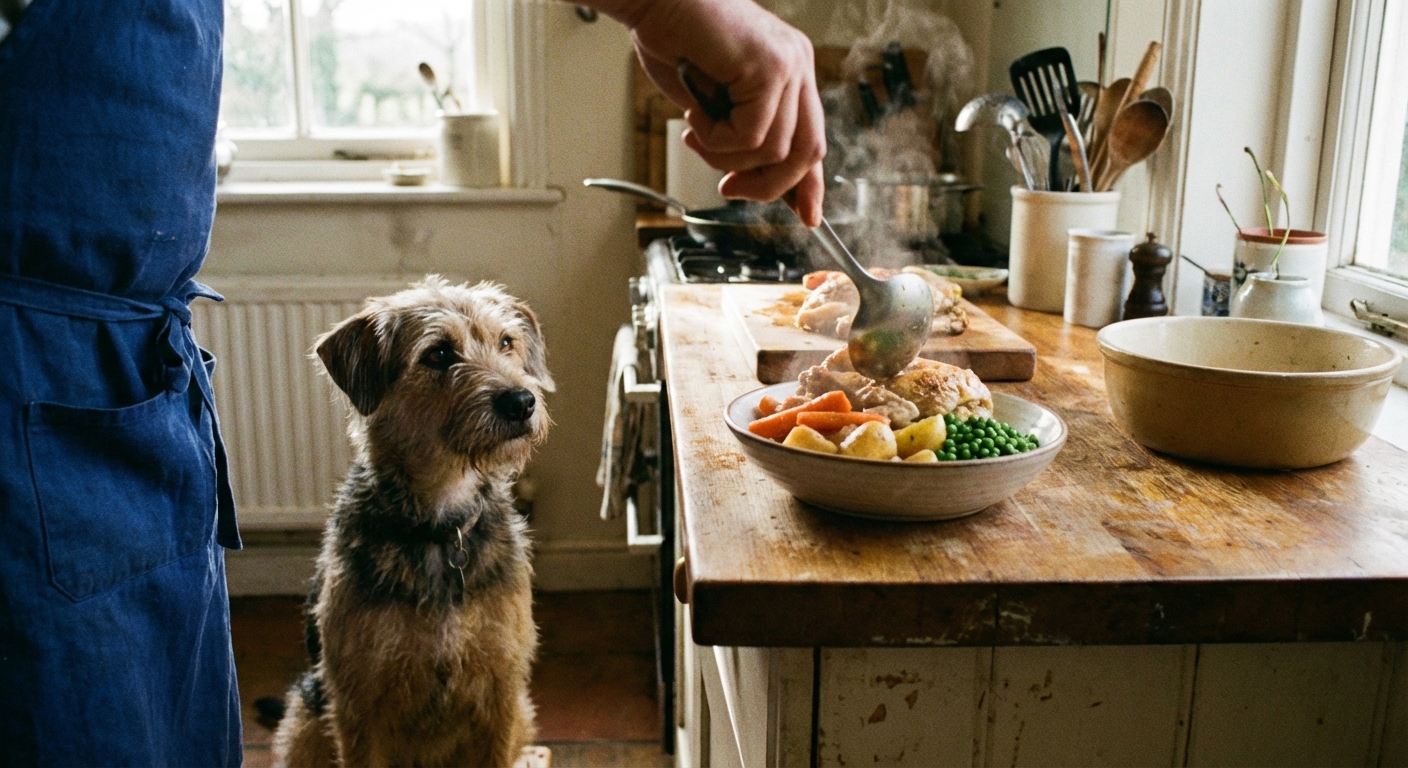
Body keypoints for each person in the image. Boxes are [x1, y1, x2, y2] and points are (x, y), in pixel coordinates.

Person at [0, 0, 824, 764]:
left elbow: (508, 712)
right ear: (370, 387)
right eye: (442, 357)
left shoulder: (501, 543)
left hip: (126, 351)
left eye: (508, 347)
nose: (507, 381)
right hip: (43, 355)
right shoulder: (358, 542)